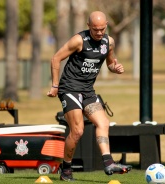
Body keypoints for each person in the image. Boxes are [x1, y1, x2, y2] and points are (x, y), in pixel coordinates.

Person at [47, 11, 132, 181]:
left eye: (102, 29)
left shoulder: (109, 42)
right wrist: (55, 85)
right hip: (69, 88)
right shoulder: (79, 40)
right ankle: (66, 169)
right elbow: (56, 58)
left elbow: (110, 63)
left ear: (106, 25)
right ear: (88, 26)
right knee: (78, 131)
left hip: (87, 90)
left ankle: (108, 163)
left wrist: (115, 68)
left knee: (103, 122)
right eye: (95, 29)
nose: (99, 33)